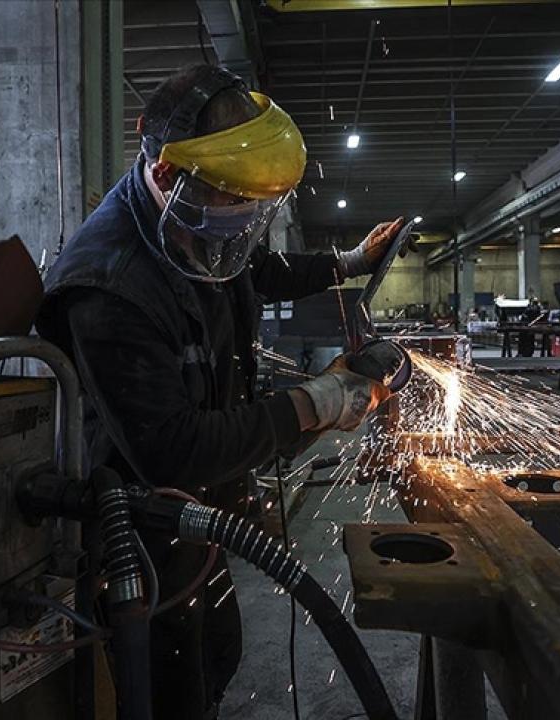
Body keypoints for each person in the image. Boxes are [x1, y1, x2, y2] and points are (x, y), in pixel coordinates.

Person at [35, 64, 407, 719]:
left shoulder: (198, 224)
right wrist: (320, 401)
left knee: (219, 655)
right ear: (169, 174)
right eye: (228, 206)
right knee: (168, 689)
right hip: (141, 528)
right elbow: (172, 450)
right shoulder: (106, 288)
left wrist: (348, 265)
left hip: (206, 512)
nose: (238, 224)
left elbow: (251, 267)